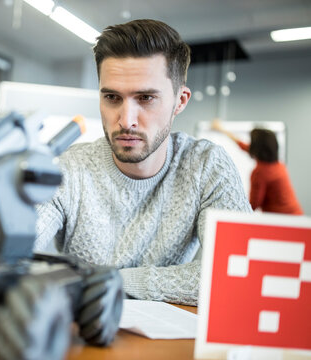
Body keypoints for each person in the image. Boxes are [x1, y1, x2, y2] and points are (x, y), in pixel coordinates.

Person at [34, 19, 251, 306]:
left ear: (180, 101)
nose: (126, 120)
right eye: (112, 97)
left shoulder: (207, 166)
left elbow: (236, 274)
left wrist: (112, 282)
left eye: (146, 98)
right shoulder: (70, 169)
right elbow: (5, 256)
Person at [211, 119, 303, 215]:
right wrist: (221, 130)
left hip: (282, 221)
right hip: (296, 216)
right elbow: (245, 146)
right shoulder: (278, 165)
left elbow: (252, 205)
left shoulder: (261, 173)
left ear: (257, 148)